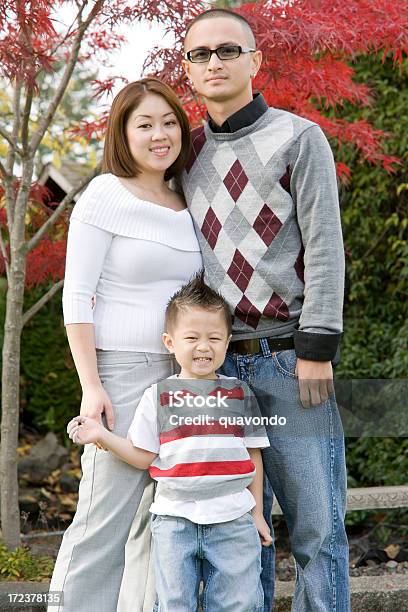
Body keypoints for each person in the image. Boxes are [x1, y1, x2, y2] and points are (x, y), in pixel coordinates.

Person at [180, 8, 350, 612]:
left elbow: (326, 246)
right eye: (201, 54)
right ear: (189, 70)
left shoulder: (299, 137)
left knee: (317, 532)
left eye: (228, 51)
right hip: (214, 371)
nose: (215, 62)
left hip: (287, 359)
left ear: (255, 62)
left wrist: (317, 348)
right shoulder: (184, 152)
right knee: (232, 533)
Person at [49, 79, 202, 612]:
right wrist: (92, 386)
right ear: (123, 132)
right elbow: (77, 297)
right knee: (102, 523)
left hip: (181, 377)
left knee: (160, 524)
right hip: (121, 374)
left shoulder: (187, 200)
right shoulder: (105, 193)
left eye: (168, 122)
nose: (160, 134)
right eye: (145, 124)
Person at [67, 274, 273, 612]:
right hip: (174, 520)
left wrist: (258, 513)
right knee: (174, 603)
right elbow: (143, 456)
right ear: (170, 341)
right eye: (191, 337)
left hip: (233, 518)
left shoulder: (240, 394)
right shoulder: (159, 397)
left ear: (227, 342)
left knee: (239, 602)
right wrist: (102, 435)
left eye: (214, 338)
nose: (203, 346)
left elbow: (253, 455)